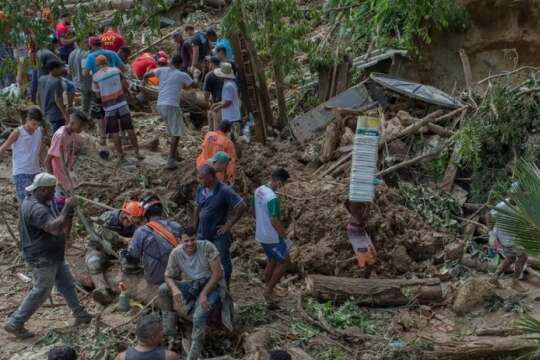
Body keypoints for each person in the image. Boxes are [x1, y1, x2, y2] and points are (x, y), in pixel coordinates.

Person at [4, 173, 91, 339]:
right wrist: (67, 208)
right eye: (52, 190)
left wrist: (67, 213)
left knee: (66, 283)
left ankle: (80, 314)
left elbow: (60, 223)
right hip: (41, 256)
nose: (54, 193)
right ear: (43, 190)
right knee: (42, 290)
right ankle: (15, 322)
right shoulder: (35, 208)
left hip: (51, 253)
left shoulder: (39, 201)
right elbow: (55, 228)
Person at [159, 226, 233, 359]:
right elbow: (167, 276)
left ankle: (192, 356)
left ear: (197, 238)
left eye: (192, 240)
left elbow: (217, 274)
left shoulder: (207, 247)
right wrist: (175, 289)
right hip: (193, 285)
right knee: (164, 288)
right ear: (180, 240)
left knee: (199, 316)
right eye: (186, 241)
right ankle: (171, 335)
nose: (190, 244)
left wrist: (204, 294)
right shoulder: (176, 253)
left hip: (213, 285)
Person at [194, 165, 246, 284]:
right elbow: (197, 208)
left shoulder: (224, 191)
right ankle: (208, 287)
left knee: (223, 262)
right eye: (199, 178)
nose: (199, 180)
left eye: (202, 178)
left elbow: (241, 206)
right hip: (202, 233)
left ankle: (225, 288)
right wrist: (195, 228)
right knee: (204, 262)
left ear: (211, 177)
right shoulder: (201, 188)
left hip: (218, 235)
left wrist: (229, 224)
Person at [86, 201, 145, 305]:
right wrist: (122, 239)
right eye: (131, 220)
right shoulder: (108, 216)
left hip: (119, 250)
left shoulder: (136, 225)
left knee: (132, 263)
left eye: (136, 221)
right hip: (100, 247)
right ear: (124, 214)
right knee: (93, 262)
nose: (132, 224)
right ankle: (102, 291)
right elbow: (97, 226)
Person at [144, 54, 193, 169]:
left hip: (160, 104)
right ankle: (171, 160)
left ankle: (175, 155)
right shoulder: (182, 74)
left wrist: (143, 82)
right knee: (176, 133)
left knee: (172, 131)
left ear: (171, 62)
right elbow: (192, 85)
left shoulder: (161, 70)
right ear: (181, 64)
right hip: (172, 105)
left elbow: (147, 74)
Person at [123, 194, 182, 286]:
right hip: (179, 274)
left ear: (144, 213)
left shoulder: (141, 231)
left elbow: (133, 256)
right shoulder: (176, 226)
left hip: (157, 278)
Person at [92, 55, 142, 162]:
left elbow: (97, 95)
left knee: (114, 132)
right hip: (122, 104)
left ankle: (120, 155)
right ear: (107, 61)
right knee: (129, 128)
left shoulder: (95, 77)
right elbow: (126, 85)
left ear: (97, 65)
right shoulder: (116, 70)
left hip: (109, 107)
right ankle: (137, 152)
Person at [253, 168, 291, 303]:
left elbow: (255, 210)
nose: (283, 187)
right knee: (285, 262)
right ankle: (269, 291)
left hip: (261, 233)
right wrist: (284, 236)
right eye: (284, 184)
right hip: (272, 236)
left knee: (272, 260)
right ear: (279, 182)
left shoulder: (259, 190)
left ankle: (268, 287)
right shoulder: (272, 198)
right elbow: (274, 220)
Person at [0, 108, 45, 203]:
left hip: (35, 171)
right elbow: (3, 148)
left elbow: (41, 150)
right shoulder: (18, 132)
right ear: (27, 119)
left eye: (38, 124)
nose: (35, 127)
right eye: (33, 124)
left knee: (36, 201)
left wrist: (46, 166)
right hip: (21, 172)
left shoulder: (39, 131)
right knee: (25, 201)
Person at [491, 183, 528, 292]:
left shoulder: (521, 206)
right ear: (512, 194)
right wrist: (491, 234)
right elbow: (488, 215)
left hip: (512, 236)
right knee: (523, 257)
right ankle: (514, 282)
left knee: (511, 258)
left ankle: (494, 278)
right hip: (504, 236)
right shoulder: (503, 205)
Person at [344, 200, 377, 279]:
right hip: (355, 231)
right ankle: (365, 281)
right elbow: (362, 214)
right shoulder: (354, 202)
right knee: (369, 262)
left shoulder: (360, 201)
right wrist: (367, 205)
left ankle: (342, 263)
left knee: (373, 254)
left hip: (361, 229)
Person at [37, 60, 69, 132]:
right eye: (60, 68)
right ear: (55, 69)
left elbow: (38, 97)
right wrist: (65, 114)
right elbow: (58, 100)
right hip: (56, 115)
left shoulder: (41, 79)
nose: (62, 70)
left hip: (45, 114)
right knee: (57, 138)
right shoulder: (57, 81)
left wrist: (42, 110)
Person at [212, 63, 242, 139]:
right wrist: (217, 104)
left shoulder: (228, 86)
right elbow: (226, 100)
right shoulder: (230, 84)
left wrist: (218, 107)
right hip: (232, 117)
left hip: (232, 118)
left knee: (233, 139)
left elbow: (227, 102)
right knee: (232, 139)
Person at [68, 42, 92, 116]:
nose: (88, 44)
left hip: (76, 80)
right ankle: (85, 117)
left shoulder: (71, 53)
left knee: (84, 99)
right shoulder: (85, 54)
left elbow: (70, 69)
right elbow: (86, 70)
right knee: (86, 102)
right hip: (85, 81)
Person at [203, 56, 223, 130]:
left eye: (209, 63)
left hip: (218, 106)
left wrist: (208, 103)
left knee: (217, 131)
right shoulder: (226, 72)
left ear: (212, 64)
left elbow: (206, 96)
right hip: (230, 105)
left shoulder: (210, 75)